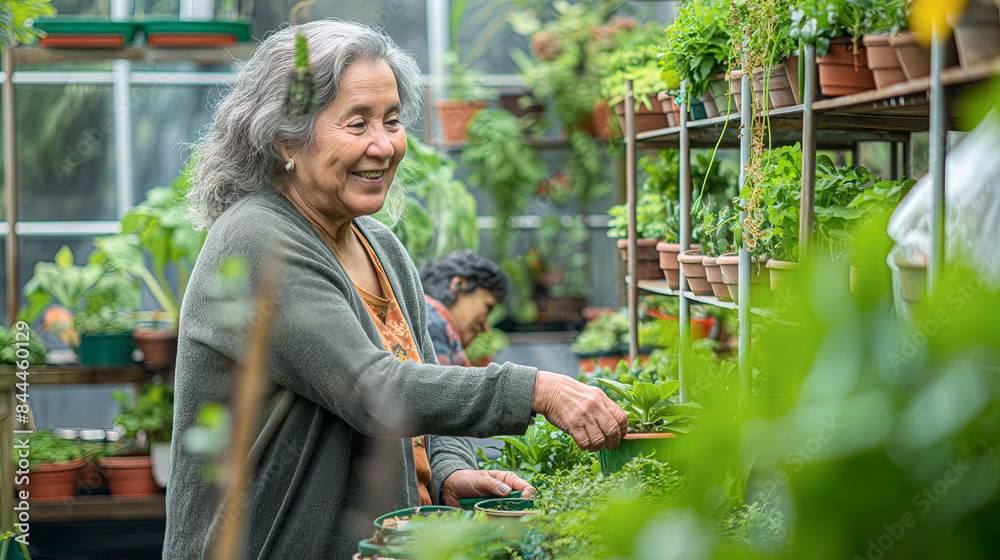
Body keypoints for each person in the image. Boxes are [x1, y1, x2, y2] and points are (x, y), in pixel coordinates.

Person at [164, 20, 627, 559]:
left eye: (392, 120)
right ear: (286, 136)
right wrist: (535, 390)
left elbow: (425, 379)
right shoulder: (255, 240)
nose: (384, 146)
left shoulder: (378, 244)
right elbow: (375, 391)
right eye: (357, 124)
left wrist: (450, 471)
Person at [420, 250, 509, 367]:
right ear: (459, 284)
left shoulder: (424, 319)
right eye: (488, 307)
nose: (485, 328)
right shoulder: (433, 325)